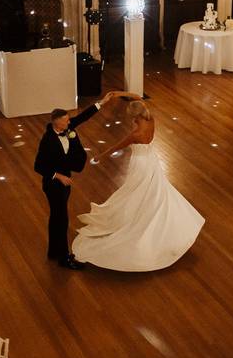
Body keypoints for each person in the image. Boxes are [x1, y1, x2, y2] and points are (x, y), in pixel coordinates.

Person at [72, 97, 206, 272]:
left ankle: (137, 219)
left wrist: (100, 156)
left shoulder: (136, 135)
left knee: (134, 191)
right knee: (153, 191)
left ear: (135, 116)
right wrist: (121, 93)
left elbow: (116, 147)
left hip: (140, 163)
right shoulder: (151, 120)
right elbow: (137, 98)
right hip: (152, 159)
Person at [34, 91, 116, 269]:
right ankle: (64, 258)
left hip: (65, 182)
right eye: (66, 120)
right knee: (62, 219)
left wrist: (102, 102)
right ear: (57, 123)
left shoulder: (68, 129)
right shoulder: (47, 141)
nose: (70, 122)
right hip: (53, 184)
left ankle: (54, 251)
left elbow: (84, 116)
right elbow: (38, 166)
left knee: (56, 217)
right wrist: (58, 176)